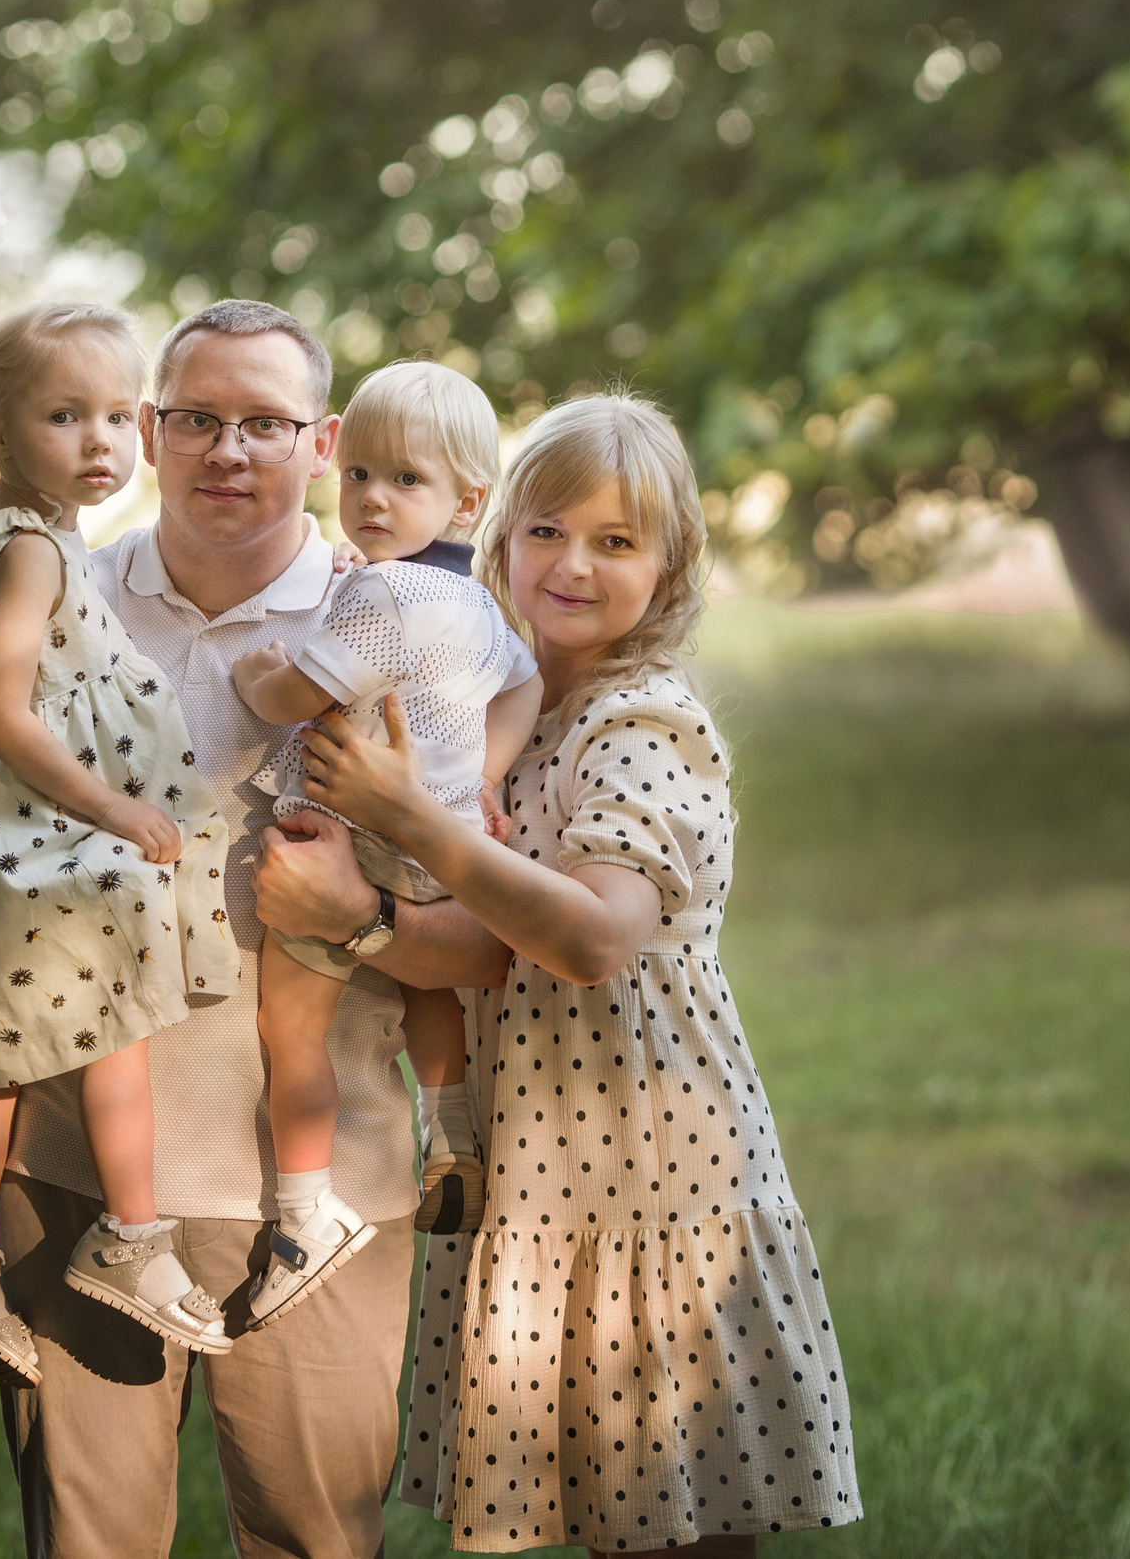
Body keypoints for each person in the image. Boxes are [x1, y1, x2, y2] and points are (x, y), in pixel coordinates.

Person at [292, 394, 864, 1555]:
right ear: (497, 536)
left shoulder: (643, 723)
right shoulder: (514, 706)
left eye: (616, 542)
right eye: (546, 530)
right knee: (612, 1520)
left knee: (672, 1524)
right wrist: (357, 922)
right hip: (544, 1167)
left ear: (670, 568)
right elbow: (488, 950)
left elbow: (592, 940)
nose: (572, 565)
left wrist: (410, 817)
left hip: (653, 1172)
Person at [0, 301, 511, 1559]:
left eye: (266, 423)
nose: (230, 449)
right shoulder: (56, 593)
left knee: (314, 1543)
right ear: (152, 431)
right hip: (76, 1172)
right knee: (87, 1544)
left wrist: (364, 916)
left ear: (322, 442)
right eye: (199, 419)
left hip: (315, 1202)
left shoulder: (390, 621)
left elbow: (491, 943)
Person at [0, 302, 241, 1386]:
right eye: (64, 415)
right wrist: (114, 810)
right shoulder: (31, 550)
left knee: (3, 1054)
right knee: (115, 1023)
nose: (100, 444)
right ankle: (132, 1240)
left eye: (120, 417)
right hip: (31, 831)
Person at [228, 359, 541, 1325]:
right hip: (436, 841)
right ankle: (451, 1138)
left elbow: (294, 697)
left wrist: (256, 669)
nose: (369, 497)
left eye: (404, 480)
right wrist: (479, 779)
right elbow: (525, 685)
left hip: (349, 837)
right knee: (426, 992)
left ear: (466, 498)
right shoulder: (483, 604)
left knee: (292, 1029)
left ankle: (302, 1213)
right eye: (357, 472)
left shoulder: (381, 598)